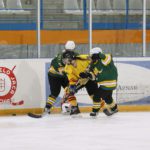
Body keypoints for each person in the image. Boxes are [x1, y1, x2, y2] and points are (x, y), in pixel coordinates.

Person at [62, 50, 105, 116]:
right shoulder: (67, 68)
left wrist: (89, 73)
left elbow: (95, 64)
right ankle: (75, 109)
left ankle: (105, 108)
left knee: (94, 97)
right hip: (81, 81)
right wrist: (72, 86)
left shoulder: (83, 58)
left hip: (90, 79)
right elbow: (72, 78)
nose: (65, 61)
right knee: (68, 91)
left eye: (66, 59)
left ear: (71, 57)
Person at [79, 47, 118, 117]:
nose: (90, 58)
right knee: (107, 98)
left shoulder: (103, 60)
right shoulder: (94, 65)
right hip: (106, 85)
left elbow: (108, 57)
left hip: (108, 84)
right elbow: (94, 77)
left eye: (92, 56)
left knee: (96, 97)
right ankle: (114, 108)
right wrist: (87, 75)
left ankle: (95, 112)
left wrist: (99, 55)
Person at [45, 40, 79, 114]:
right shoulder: (60, 56)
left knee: (69, 90)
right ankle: (47, 108)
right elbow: (55, 66)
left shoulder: (76, 55)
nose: (69, 52)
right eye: (68, 50)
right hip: (54, 76)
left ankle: (67, 107)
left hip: (64, 76)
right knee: (55, 93)